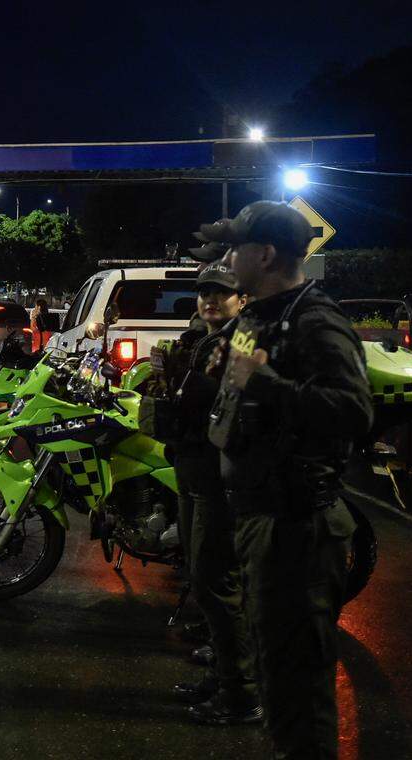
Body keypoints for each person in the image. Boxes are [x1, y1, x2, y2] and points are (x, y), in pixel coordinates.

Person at [198, 201, 373, 758]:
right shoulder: (260, 315)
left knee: (299, 681)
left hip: (297, 525)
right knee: (276, 670)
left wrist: (265, 382)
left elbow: (353, 411)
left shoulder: (315, 319)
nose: (227, 258)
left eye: (235, 248)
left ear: (265, 254)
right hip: (258, 515)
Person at [157, 261, 259, 725]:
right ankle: (223, 675)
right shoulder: (206, 339)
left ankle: (241, 695)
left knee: (217, 583)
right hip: (193, 466)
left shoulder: (243, 339)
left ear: (242, 299)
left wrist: (189, 386)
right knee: (203, 577)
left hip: (217, 477)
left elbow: (231, 402)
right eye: (204, 293)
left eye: (221, 293)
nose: (210, 300)